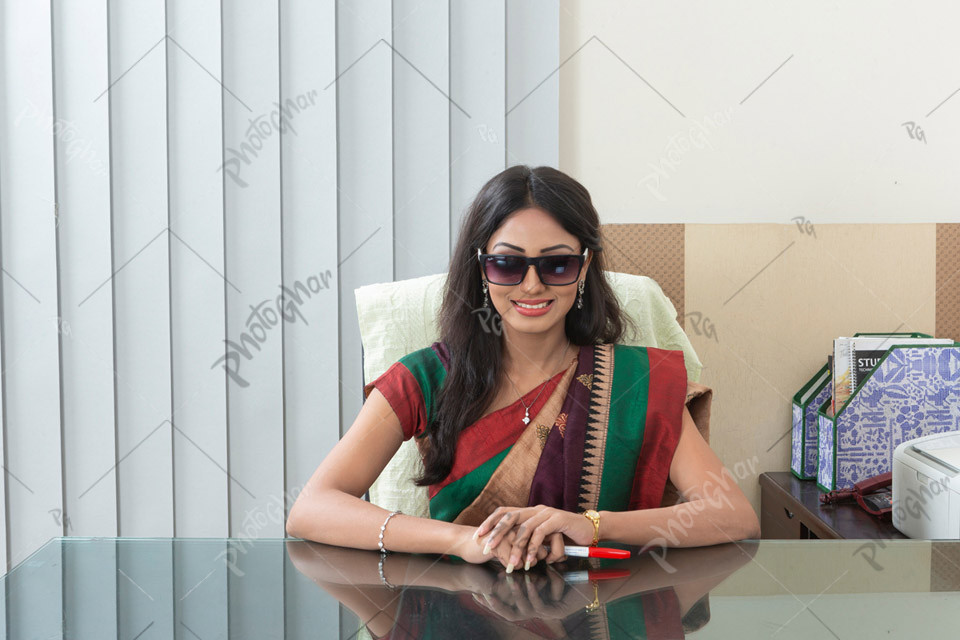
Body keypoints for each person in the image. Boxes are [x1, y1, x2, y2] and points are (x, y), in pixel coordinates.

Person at [285, 165, 760, 572]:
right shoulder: (428, 377)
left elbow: (732, 515)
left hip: (603, 613)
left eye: (556, 266)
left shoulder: (635, 381)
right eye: (508, 264)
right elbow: (311, 509)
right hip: (457, 612)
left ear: (585, 265)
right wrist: (459, 541)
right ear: (481, 268)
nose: (532, 286)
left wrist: (592, 525)